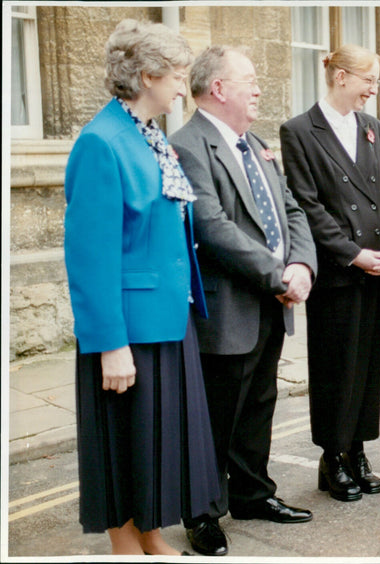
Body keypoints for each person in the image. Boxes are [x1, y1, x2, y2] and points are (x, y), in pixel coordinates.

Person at [63, 19, 219, 555]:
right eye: (177, 75)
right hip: (125, 329)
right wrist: (110, 344)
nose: (183, 86)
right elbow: (89, 256)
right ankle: (125, 543)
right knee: (125, 445)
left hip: (167, 318)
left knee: (155, 445)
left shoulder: (146, 134)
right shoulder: (100, 142)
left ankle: (151, 535)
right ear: (148, 75)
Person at [170, 45, 317, 556]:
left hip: (273, 300)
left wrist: (302, 265)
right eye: (248, 79)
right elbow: (211, 228)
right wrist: (278, 276)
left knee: (259, 405)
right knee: (216, 415)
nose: (258, 89)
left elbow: (293, 211)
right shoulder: (187, 145)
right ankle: (203, 514)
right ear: (218, 89)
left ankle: (254, 494)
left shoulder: (255, 143)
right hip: (228, 306)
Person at [279, 44, 380, 502]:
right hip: (338, 271)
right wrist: (354, 254)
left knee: (369, 367)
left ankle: (358, 451)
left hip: (378, 268)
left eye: (376, 81)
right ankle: (332, 457)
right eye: (369, 80)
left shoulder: (375, 129)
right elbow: (307, 206)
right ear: (341, 76)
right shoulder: (299, 131)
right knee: (336, 368)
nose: (374, 89)